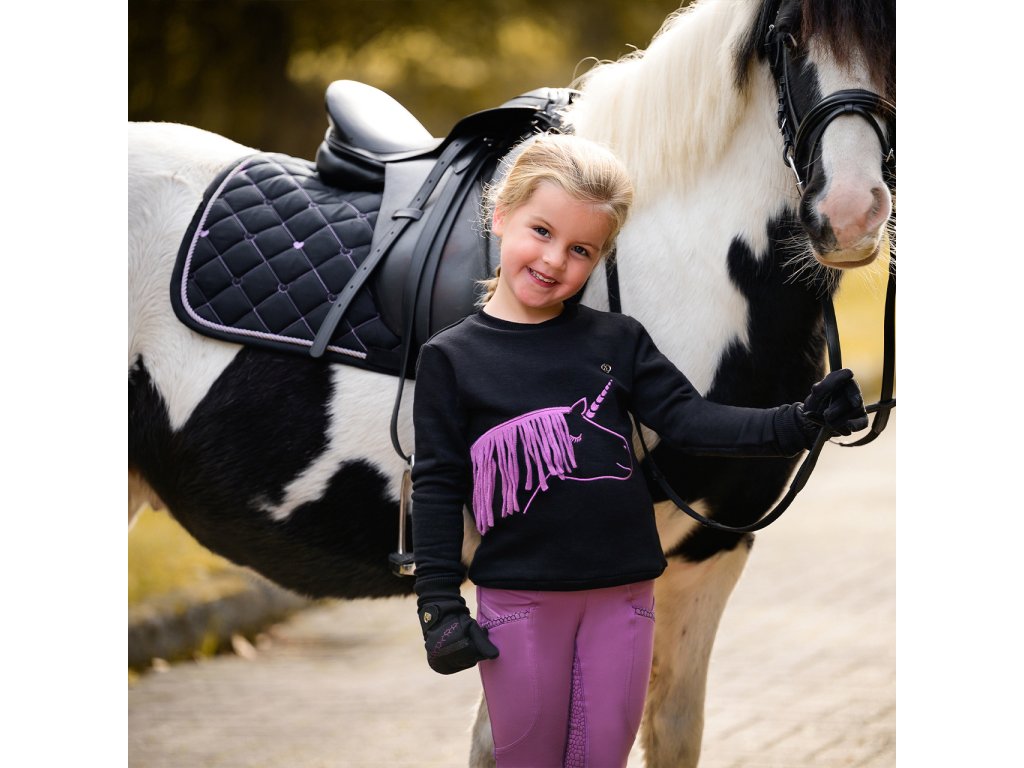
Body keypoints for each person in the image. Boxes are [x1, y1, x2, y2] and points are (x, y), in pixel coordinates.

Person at [410, 132, 866, 767]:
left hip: (624, 604)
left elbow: (691, 421)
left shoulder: (618, 341)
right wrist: (437, 602)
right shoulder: (450, 359)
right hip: (520, 605)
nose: (554, 261)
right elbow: (436, 483)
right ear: (502, 215)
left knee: (604, 758)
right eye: (541, 232)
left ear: (601, 256)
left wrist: (800, 421)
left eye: (581, 249)